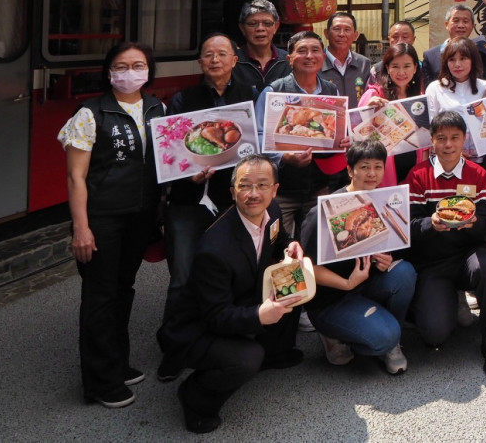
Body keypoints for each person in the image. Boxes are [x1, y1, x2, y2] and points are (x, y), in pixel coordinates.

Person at [158, 156, 305, 434]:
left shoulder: (271, 208)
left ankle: (273, 353)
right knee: (247, 358)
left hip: (239, 295)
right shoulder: (215, 248)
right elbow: (215, 316)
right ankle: (195, 398)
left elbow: (279, 237)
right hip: (195, 327)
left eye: (262, 185)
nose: (253, 194)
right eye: (245, 186)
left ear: (275, 190)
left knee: (292, 284)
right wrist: (260, 315)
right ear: (232, 192)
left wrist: (292, 245)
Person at [60, 41, 164, 408]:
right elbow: (76, 177)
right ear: (109, 72)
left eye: (138, 65)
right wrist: (81, 227)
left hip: (140, 216)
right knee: (100, 296)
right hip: (102, 218)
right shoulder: (91, 114)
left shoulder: (157, 108)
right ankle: (100, 382)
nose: (129, 72)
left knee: (123, 288)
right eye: (121, 66)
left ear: (149, 70)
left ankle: (117, 363)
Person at [158, 33, 257, 380]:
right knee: (182, 278)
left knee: (230, 274)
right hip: (188, 201)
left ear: (234, 60)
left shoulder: (249, 97)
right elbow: (171, 152)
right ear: (200, 63)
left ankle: (225, 341)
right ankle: (174, 349)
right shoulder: (184, 99)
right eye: (208, 55)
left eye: (222, 54)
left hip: (234, 202)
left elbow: (257, 149)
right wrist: (189, 177)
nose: (215, 60)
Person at [299, 140, 414, 374]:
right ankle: (333, 334)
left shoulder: (384, 202)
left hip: (365, 287)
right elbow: (305, 267)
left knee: (404, 272)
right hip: (331, 299)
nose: (372, 173)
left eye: (378, 167)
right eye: (364, 167)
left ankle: (390, 340)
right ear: (350, 170)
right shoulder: (324, 210)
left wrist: (385, 261)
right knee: (384, 336)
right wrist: (347, 282)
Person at [406, 111, 486, 379]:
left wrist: (472, 222)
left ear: (464, 140)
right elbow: (410, 227)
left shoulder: (477, 173)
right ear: (432, 140)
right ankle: (450, 300)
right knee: (434, 335)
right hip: (434, 263)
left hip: (468, 254)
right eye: (441, 138)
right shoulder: (418, 175)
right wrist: (431, 223)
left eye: (454, 138)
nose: (448, 145)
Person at [255, 31, 342, 235]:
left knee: (314, 246)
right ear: (290, 58)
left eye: (315, 50)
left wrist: (342, 140)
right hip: (280, 190)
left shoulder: (332, 92)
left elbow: (337, 134)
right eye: (302, 51)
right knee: (278, 247)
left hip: (319, 187)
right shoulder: (273, 92)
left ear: (323, 56)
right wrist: (283, 157)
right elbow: (258, 136)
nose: (309, 56)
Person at [361, 42, 425, 185]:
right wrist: (369, 110)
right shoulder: (374, 94)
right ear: (387, 68)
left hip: (414, 167)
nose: (401, 72)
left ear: (415, 68)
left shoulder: (419, 98)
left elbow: (425, 142)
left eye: (407, 66)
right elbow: (359, 133)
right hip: (383, 170)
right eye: (395, 66)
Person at [425, 37, 486, 165]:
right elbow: (430, 126)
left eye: (463, 58)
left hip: (479, 161)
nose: (457, 64)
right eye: (452, 59)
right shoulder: (435, 88)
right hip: (444, 160)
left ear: (473, 60)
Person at [422, 1, 486, 83]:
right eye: (456, 21)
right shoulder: (430, 56)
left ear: (472, 26)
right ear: (446, 24)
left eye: (466, 21)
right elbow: (428, 91)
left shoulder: (482, 47)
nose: (460, 25)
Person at [231, 0, 291, 94]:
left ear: (276, 27)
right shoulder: (232, 62)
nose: (260, 29)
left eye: (267, 23)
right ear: (242, 28)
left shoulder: (288, 61)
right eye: (252, 24)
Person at [319, 11, 372, 107]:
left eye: (347, 30)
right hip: (327, 120)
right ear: (326, 33)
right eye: (337, 29)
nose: (341, 34)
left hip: (357, 121)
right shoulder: (316, 63)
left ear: (355, 35)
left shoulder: (364, 63)